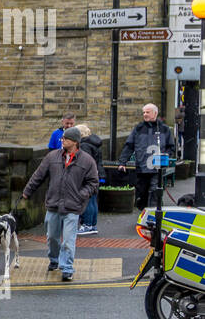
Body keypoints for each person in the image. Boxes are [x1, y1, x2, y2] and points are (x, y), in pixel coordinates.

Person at [22, 126, 100, 282]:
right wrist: (27, 191)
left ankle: (67, 268)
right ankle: (54, 260)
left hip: (73, 207)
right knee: (52, 237)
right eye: (62, 138)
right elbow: (38, 175)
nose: (62, 140)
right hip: (53, 204)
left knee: (68, 240)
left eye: (65, 139)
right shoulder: (52, 157)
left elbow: (93, 183)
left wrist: (81, 195)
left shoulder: (87, 160)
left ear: (75, 142)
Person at [117, 104, 175, 211]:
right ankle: (144, 213)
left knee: (154, 192)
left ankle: (153, 218)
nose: (145, 114)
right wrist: (122, 162)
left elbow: (171, 148)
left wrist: (165, 156)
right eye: (143, 112)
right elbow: (129, 146)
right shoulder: (138, 129)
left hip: (157, 168)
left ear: (155, 113)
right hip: (141, 167)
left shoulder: (164, 129)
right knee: (142, 195)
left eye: (147, 112)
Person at [75, 123, 104, 236]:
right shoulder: (93, 144)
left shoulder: (84, 146)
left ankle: (87, 225)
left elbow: (85, 163)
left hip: (88, 177)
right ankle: (92, 224)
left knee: (86, 201)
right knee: (92, 201)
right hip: (96, 175)